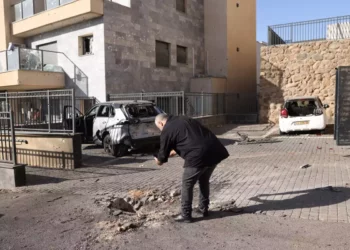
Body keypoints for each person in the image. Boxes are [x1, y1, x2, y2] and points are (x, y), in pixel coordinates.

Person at [154, 114, 229, 223]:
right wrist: (174, 152)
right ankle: (203, 209)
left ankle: (186, 215)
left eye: (159, 127)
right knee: (203, 180)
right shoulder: (184, 118)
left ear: (161, 123)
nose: (161, 129)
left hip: (198, 155)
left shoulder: (167, 129)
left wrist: (158, 160)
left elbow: (161, 159)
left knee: (187, 184)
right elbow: (191, 138)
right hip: (214, 150)